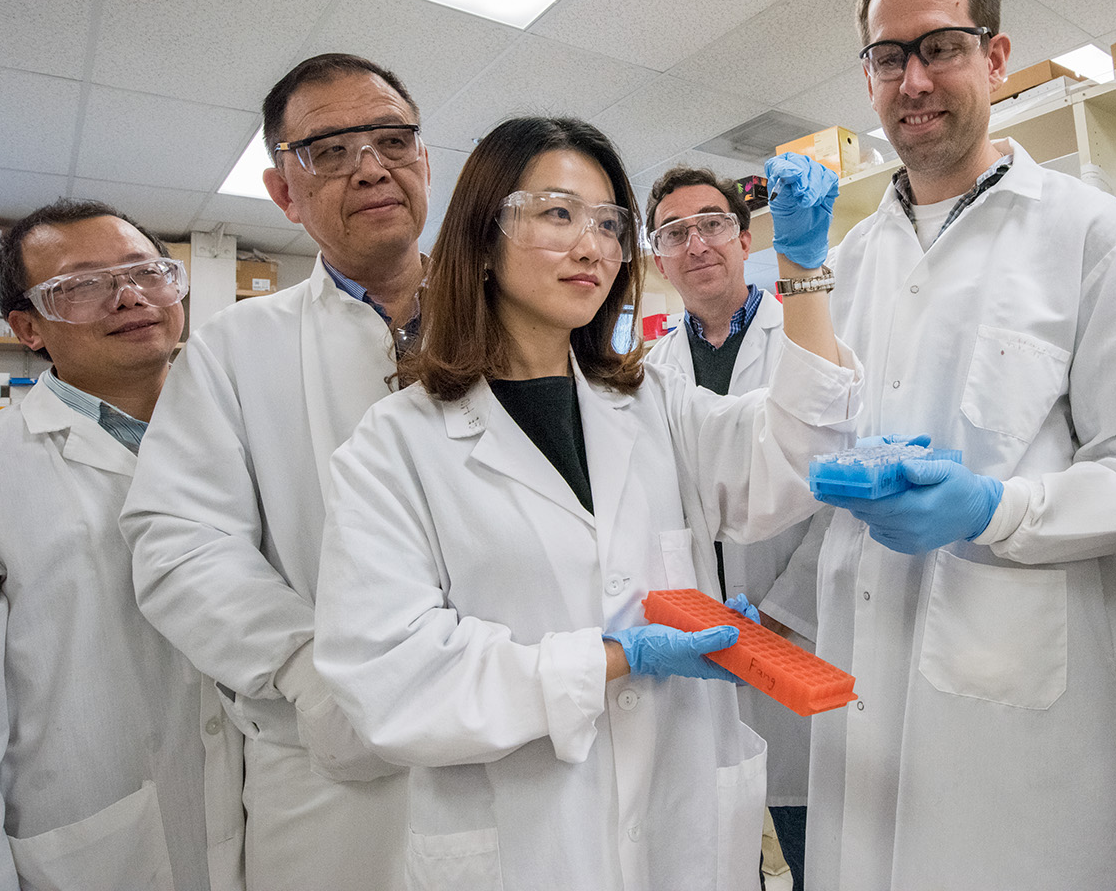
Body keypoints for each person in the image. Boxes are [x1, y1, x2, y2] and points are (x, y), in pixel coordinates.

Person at [311, 116, 861, 889]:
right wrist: (613, 659)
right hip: (530, 843)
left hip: (684, 827)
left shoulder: (653, 401)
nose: (594, 245)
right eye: (558, 213)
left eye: (609, 223)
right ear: (483, 235)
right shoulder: (394, 445)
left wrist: (803, 271)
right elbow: (388, 677)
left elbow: (799, 461)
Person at [799, 0, 1116, 889]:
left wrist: (993, 509)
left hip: (1017, 710)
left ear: (997, 56)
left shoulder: (1094, 237)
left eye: (940, 46)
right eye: (888, 58)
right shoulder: (849, 262)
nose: (915, 79)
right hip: (861, 687)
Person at [122, 53, 429, 889]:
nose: (371, 166)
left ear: (424, 162)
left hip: (518, 731)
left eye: (392, 139)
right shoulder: (231, 350)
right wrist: (303, 666)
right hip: (333, 769)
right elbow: (178, 540)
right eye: (329, 150)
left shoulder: (523, 324)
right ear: (283, 192)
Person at [0, 200, 216, 891]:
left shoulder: (232, 439)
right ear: (27, 328)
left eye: (148, 271)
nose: (131, 296)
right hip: (94, 849)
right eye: (81, 285)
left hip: (253, 824)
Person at [643, 165, 823, 886]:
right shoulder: (651, 369)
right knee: (716, 851)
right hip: (700, 647)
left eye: (712, 224)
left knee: (814, 844)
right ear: (659, 259)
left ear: (745, 239)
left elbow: (835, 500)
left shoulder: (801, 344)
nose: (697, 244)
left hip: (794, 637)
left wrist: (781, 615)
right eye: (675, 233)